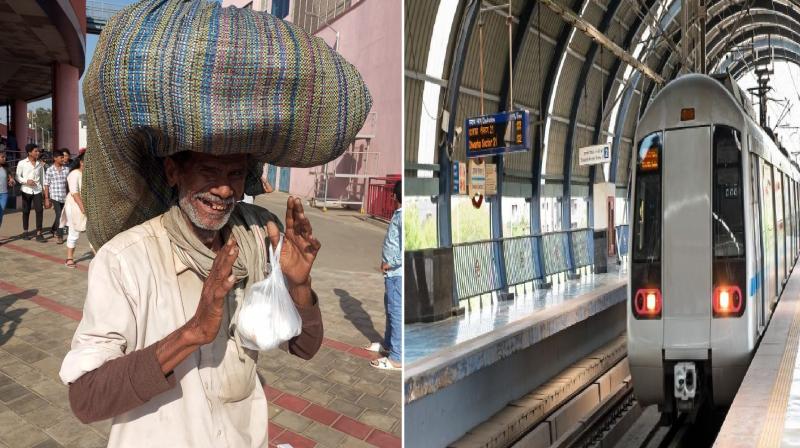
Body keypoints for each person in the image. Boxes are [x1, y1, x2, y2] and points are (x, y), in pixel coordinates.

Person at [59, 1, 371, 446]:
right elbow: (85, 397)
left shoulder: (258, 238)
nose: (224, 190)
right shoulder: (126, 260)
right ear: (173, 172)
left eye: (234, 174)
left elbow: (305, 347)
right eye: (208, 171)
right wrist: (194, 333)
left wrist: (298, 286)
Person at [368, 180, 402, 370]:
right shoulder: (398, 215)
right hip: (391, 274)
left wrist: (392, 262)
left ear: (395, 196)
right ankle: (388, 345)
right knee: (390, 309)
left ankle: (397, 357)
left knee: (396, 312)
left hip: (397, 273)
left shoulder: (403, 216)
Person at [15, 143, 45, 241]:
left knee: (40, 210)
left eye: (38, 151)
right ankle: (25, 232)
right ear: (29, 152)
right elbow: (17, 176)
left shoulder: (40, 164)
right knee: (26, 211)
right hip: (26, 190)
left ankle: (39, 233)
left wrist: (45, 192)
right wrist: (26, 181)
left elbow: (42, 178)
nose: (38, 152)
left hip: (37, 190)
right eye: (35, 151)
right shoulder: (22, 163)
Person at [62, 153, 85, 267]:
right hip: (74, 205)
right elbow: (74, 193)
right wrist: (82, 207)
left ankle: (97, 255)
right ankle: (69, 258)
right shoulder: (74, 174)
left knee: (92, 230)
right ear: (81, 162)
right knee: (74, 230)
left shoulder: (89, 174)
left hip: (86, 205)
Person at [44, 148, 71, 244]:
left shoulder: (67, 169)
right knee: (60, 215)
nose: (63, 159)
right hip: (54, 197)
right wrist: (47, 199)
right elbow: (46, 185)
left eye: (63, 157)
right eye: (61, 157)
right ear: (55, 158)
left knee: (62, 216)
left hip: (64, 197)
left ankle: (53, 229)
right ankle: (60, 236)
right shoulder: (49, 170)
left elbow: (69, 184)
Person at [0, 148, 14, 230]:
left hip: (4, 194)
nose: (4, 159)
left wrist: (11, 180)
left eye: (5, 157)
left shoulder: (6, 168)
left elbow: (11, 178)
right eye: (2, 157)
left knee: (0, 215)